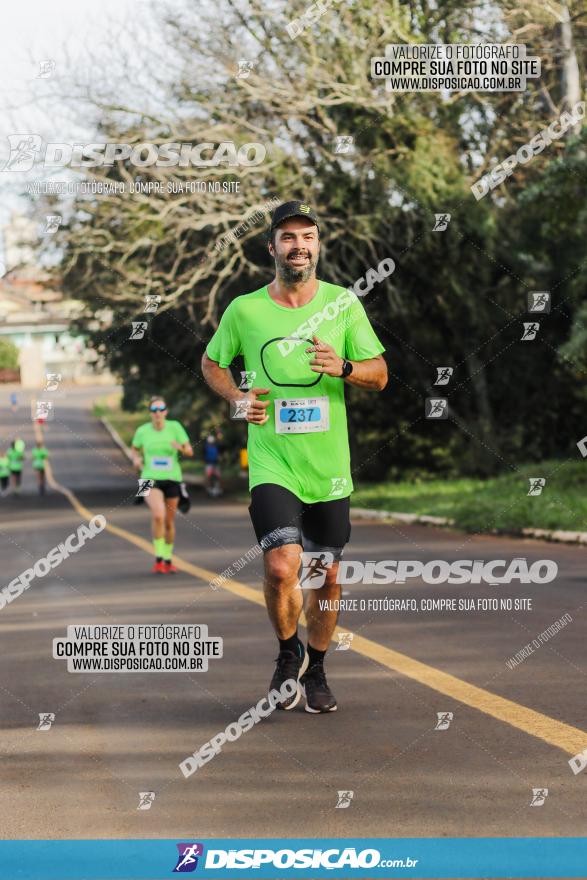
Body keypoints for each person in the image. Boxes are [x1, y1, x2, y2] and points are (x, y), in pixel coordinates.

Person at [202, 200, 387, 713]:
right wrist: (238, 400)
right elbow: (212, 363)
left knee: (324, 573)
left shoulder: (344, 304)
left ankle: (319, 671)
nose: (298, 246)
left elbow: (380, 374)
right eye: (288, 237)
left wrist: (344, 366)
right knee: (284, 567)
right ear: (273, 248)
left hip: (327, 467)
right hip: (272, 461)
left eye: (307, 236)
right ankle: (289, 654)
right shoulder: (245, 309)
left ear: (318, 245)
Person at [130, 396, 193, 574]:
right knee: (158, 515)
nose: (157, 413)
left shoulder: (175, 427)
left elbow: (189, 451)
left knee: (168, 521)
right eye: (154, 410)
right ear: (150, 413)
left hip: (172, 478)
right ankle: (158, 558)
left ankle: (168, 558)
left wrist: (180, 448)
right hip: (148, 478)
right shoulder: (142, 431)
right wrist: (135, 459)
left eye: (161, 409)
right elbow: (134, 448)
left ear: (166, 411)